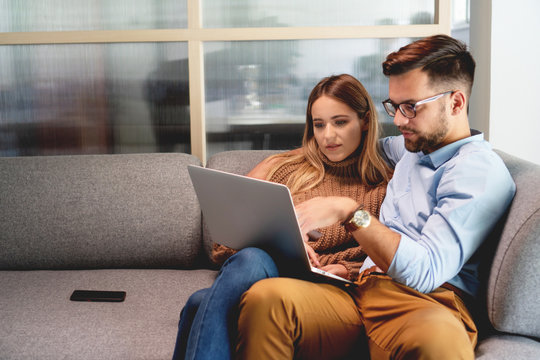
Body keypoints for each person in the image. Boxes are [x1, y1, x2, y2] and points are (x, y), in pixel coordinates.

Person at [236, 34, 517, 360]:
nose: (398, 121)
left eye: (410, 107)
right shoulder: (413, 144)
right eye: (394, 107)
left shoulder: (477, 172)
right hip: (361, 289)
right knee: (267, 298)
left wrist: (349, 211)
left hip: (425, 300)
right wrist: (278, 163)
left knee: (439, 341)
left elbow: (425, 272)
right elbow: (352, 145)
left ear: (455, 103)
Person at [172, 73, 392, 360]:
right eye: (319, 124)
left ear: (364, 122)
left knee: (199, 302)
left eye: (340, 122)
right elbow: (225, 242)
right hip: (260, 270)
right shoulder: (284, 166)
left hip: (322, 289)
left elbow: (386, 260)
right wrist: (283, 244)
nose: (328, 136)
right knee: (252, 257)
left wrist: (341, 269)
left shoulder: (384, 187)